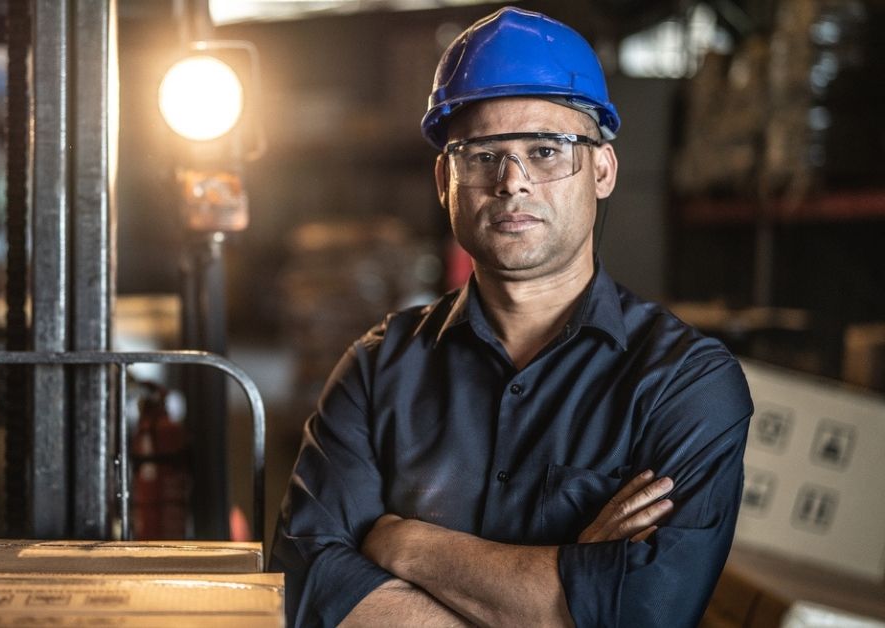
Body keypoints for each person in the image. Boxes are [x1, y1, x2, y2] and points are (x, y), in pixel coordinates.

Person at [270, 7, 753, 627]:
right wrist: (569, 585)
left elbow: (643, 610)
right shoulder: (376, 370)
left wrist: (404, 543)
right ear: (446, 178)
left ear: (602, 171)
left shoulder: (684, 385)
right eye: (482, 156)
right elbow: (311, 586)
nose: (512, 182)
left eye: (547, 151)